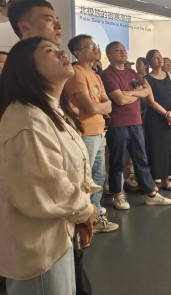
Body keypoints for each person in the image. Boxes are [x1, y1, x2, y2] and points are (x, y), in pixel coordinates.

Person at [0, 37, 99, 294]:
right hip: (39, 248)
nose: (62, 53)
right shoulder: (28, 119)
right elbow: (46, 189)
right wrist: (85, 210)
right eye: (49, 51)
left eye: (59, 49)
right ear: (27, 67)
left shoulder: (50, 111)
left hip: (58, 236)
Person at [101, 41, 171, 209]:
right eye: (117, 50)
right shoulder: (107, 74)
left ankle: (150, 193)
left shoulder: (132, 72)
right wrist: (135, 95)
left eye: (123, 49)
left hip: (136, 121)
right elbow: (119, 99)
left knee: (141, 158)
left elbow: (147, 91)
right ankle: (118, 195)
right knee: (117, 161)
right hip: (118, 123)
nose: (122, 52)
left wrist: (131, 92)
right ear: (109, 55)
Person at [66, 34, 119, 235]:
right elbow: (91, 107)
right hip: (85, 133)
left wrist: (99, 106)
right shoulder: (76, 73)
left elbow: (108, 105)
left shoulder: (95, 75)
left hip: (99, 131)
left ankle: (94, 217)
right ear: (77, 53)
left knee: (98, 177)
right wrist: (99, 106)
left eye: (95, 45)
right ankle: (82, 221)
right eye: (90, 46)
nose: (96, 48)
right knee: (84, 179)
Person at [144, 49, 171, 190]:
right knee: (156, 149)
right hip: (155, 118)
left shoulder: (170, 75)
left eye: (160, 56)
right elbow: (151, 101)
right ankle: (153, 182)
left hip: (170, 116)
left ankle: (166, 180)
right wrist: (167, 114)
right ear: (149, 62)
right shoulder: (146, 79)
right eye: (155, 57)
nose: (160, 59)